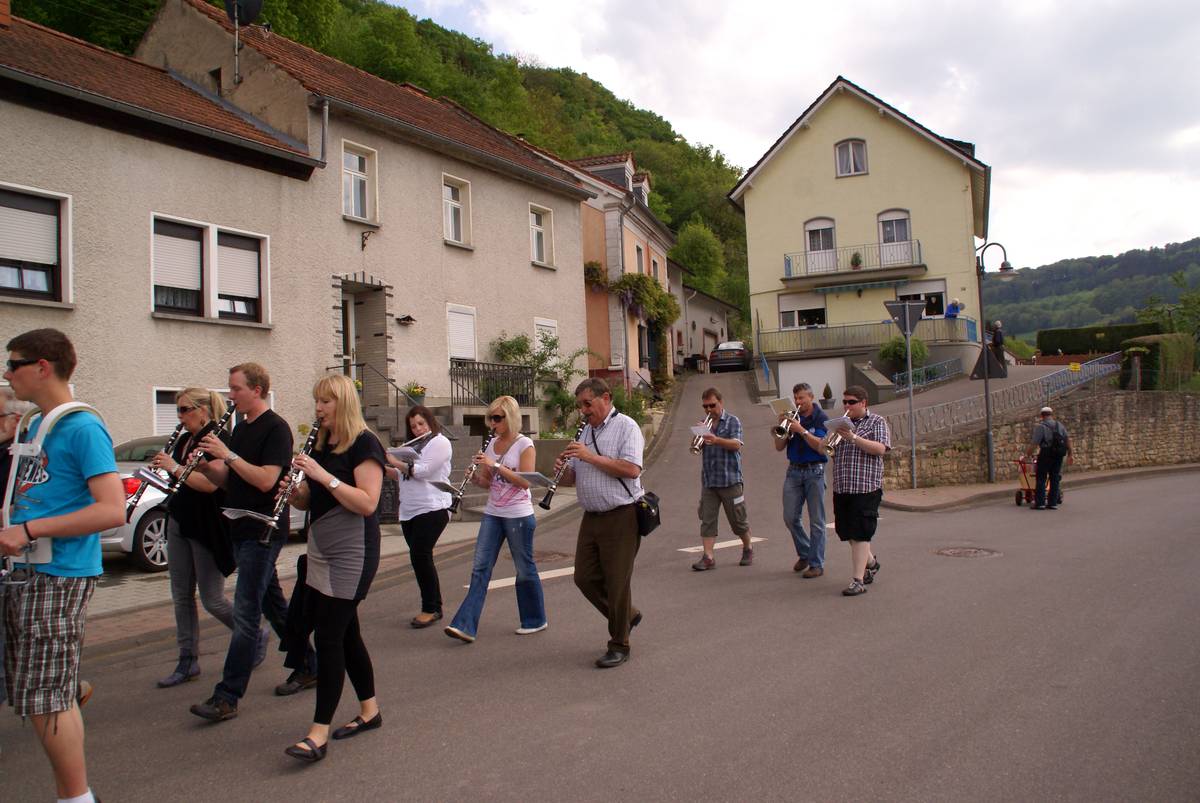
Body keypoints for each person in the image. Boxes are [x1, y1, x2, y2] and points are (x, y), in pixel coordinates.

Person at [0, 328, 125, 803]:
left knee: (46, 696)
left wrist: (29, 532)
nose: (8, 374)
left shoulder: (83, 427)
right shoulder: (35, 425)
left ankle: (77, 798)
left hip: (58, 573)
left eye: (13, 364)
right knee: (38, 691)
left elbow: (112, 509)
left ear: (42, 367)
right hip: (27, 573)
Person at [188, 362, 315, 722]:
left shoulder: (276, 428)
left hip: (263, 530)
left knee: (246, 613)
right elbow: (230, 481)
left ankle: (227, 695)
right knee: (274, 605)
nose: (230, 396)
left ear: (256, 390)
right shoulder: (241, 428)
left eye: (236, 389)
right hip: (238, 526)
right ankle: (308, 663)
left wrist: (227, 455)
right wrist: (204, 465)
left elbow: (264, 480)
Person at [279, 374, 385, 763]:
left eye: (325, 402)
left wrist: (322, 475)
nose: (318, 408)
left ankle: (318, 733)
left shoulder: (364, 443)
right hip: (322, 548)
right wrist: (298, 491)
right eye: (316, 401)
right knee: (347, 634)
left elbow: (368, 503)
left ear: (342, 403)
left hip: (353, 552)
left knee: (328, 636)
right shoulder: (323, 443)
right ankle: (370, 710)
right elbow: (313, 501)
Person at [150, 389, 265, 688]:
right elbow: (182, 480)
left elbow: (208, 486)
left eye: (185, 409)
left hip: (206, 525)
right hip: (179, 519)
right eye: (178, 410)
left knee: (212, 599)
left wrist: (175, 468)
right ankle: (187, 660)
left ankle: (253, 634)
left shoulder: (217, 440)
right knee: (180, 595)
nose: (180, 416)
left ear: (203, 410)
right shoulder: (184, 439)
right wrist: (163, 472)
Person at [553, 378, 645, 669]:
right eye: (580, 405)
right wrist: (562, 471)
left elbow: (631, 469)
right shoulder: (583, 432)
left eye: (587, 404)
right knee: (584, 577)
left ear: (606, 398)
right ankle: (626, 616)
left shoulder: (626, 427)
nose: (583, 411)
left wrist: (590, 457)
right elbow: (573, 477)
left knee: (617, 582)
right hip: (591, 515)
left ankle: (619, 643)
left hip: (621, 514)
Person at [445, 395, 546, 642]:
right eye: (490, 418)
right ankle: (466, 625)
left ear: (510, 417)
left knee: (524, 568)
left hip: (518, 515)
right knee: (480, 567)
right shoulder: (492, 444)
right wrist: (477, 477)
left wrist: (496, 466)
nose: (492, 423)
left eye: (497, 418)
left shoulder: (525, 445)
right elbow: (489, 484)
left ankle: (535, 619)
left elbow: (525, 481)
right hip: (493, 512)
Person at [389, 406, 453, 628]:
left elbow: (423, 470)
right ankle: (434, 604)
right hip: (409, 510)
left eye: (421, 424)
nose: (417, 429)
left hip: (433, 507)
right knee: (421, 558)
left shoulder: (440, 442)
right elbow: (399, 474)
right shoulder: (412, 446)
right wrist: (379, 461)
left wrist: (394, 460)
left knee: (420, 555)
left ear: (430, 422)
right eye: (413, 426)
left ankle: (431, 608)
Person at [829, 385, 891, 597]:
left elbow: (881, 449)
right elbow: (823, 448)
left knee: (861, 532)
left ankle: (858, 580)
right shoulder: (841, 424)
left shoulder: (877, 422)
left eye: (851, 402)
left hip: (866, 487)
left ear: (863, 403)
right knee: (848, 533)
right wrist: (829, 436)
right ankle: (871, 562)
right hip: (843, 486)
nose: (847, 405)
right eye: (844, 402)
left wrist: (853, 437)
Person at [691, 388, 754, 570]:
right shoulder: (705, 423)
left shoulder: (733, 421)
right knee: (707, 520)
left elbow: (736, 445)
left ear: (720, 402)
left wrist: (716, 439)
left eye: (712, 405)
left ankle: (748, 546)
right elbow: (697, 447)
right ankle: (708, 557)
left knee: (738, 520)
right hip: (710, 481)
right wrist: (697, 438)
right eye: (705, 406)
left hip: (730, 479)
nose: (709, 409)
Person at [774, 382, 828, 577]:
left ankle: (816, 564)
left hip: (815, 471)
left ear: (811, 397)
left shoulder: (821, 418)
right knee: (790, 517)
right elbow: (779, 447)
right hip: (794, 471)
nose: (798, 402)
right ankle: (805, 552)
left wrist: (801, 431)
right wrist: (783, 426)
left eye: (801, 398)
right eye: (795, 398)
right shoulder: (791, 417)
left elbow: (821, 446)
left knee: (816, 521)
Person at [1026, 406, 1071, 510]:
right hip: (1059, 454)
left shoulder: (1041, 427)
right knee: (1055, 478)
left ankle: (1040, 503)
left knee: (1041, 477)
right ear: (1051, 414)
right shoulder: (1060, 425)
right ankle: (1052, 503)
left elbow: (1035, 443)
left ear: (1042, 416)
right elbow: (1067, 439)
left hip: (1046, 454)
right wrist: (1070, 454)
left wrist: (1027, 455)